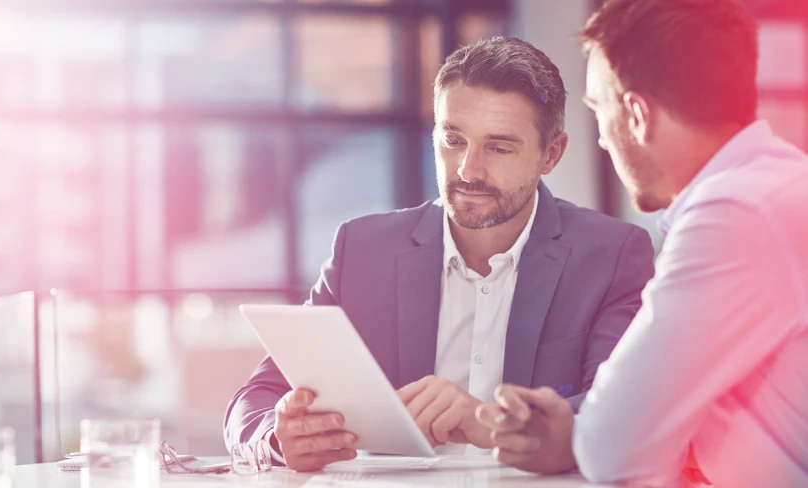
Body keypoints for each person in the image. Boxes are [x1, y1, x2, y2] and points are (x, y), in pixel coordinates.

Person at [224, 37, 655, 473]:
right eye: (453, 140)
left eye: (499, 148)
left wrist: (484, 421)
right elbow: (254, 400)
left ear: (552, 153)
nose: (468, 170)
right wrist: (277, 437)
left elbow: (622, 411)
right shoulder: (362, 251)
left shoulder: (612, 256)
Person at [476, 1, 808, 487]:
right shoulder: (776, 186)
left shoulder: (735, 213)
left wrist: (579, 435)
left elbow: (613, 449)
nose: (603, 140)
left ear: (635, 114)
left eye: (598, 111)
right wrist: (583, 425)